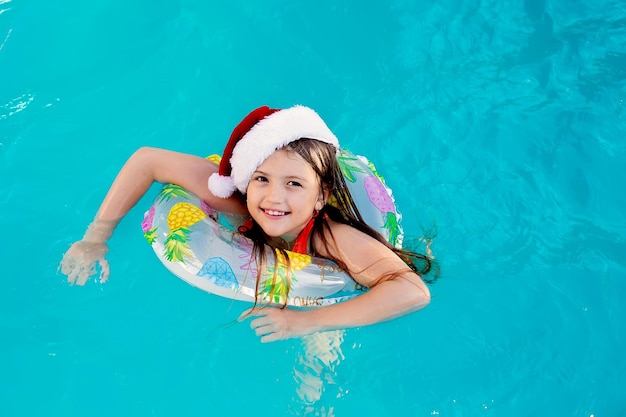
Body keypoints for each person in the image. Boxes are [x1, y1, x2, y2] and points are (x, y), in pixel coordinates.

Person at [60, 105, 432, 343]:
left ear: (321, 196)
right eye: (262, 178)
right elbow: (148, 160)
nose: (273, 198)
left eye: (294, 184)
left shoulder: (333, 238)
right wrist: (95, 238)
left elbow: (412, 290)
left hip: (333, 286)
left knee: (315, 372)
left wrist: (306, 324)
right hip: (276, 271)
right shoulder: (240, 201)